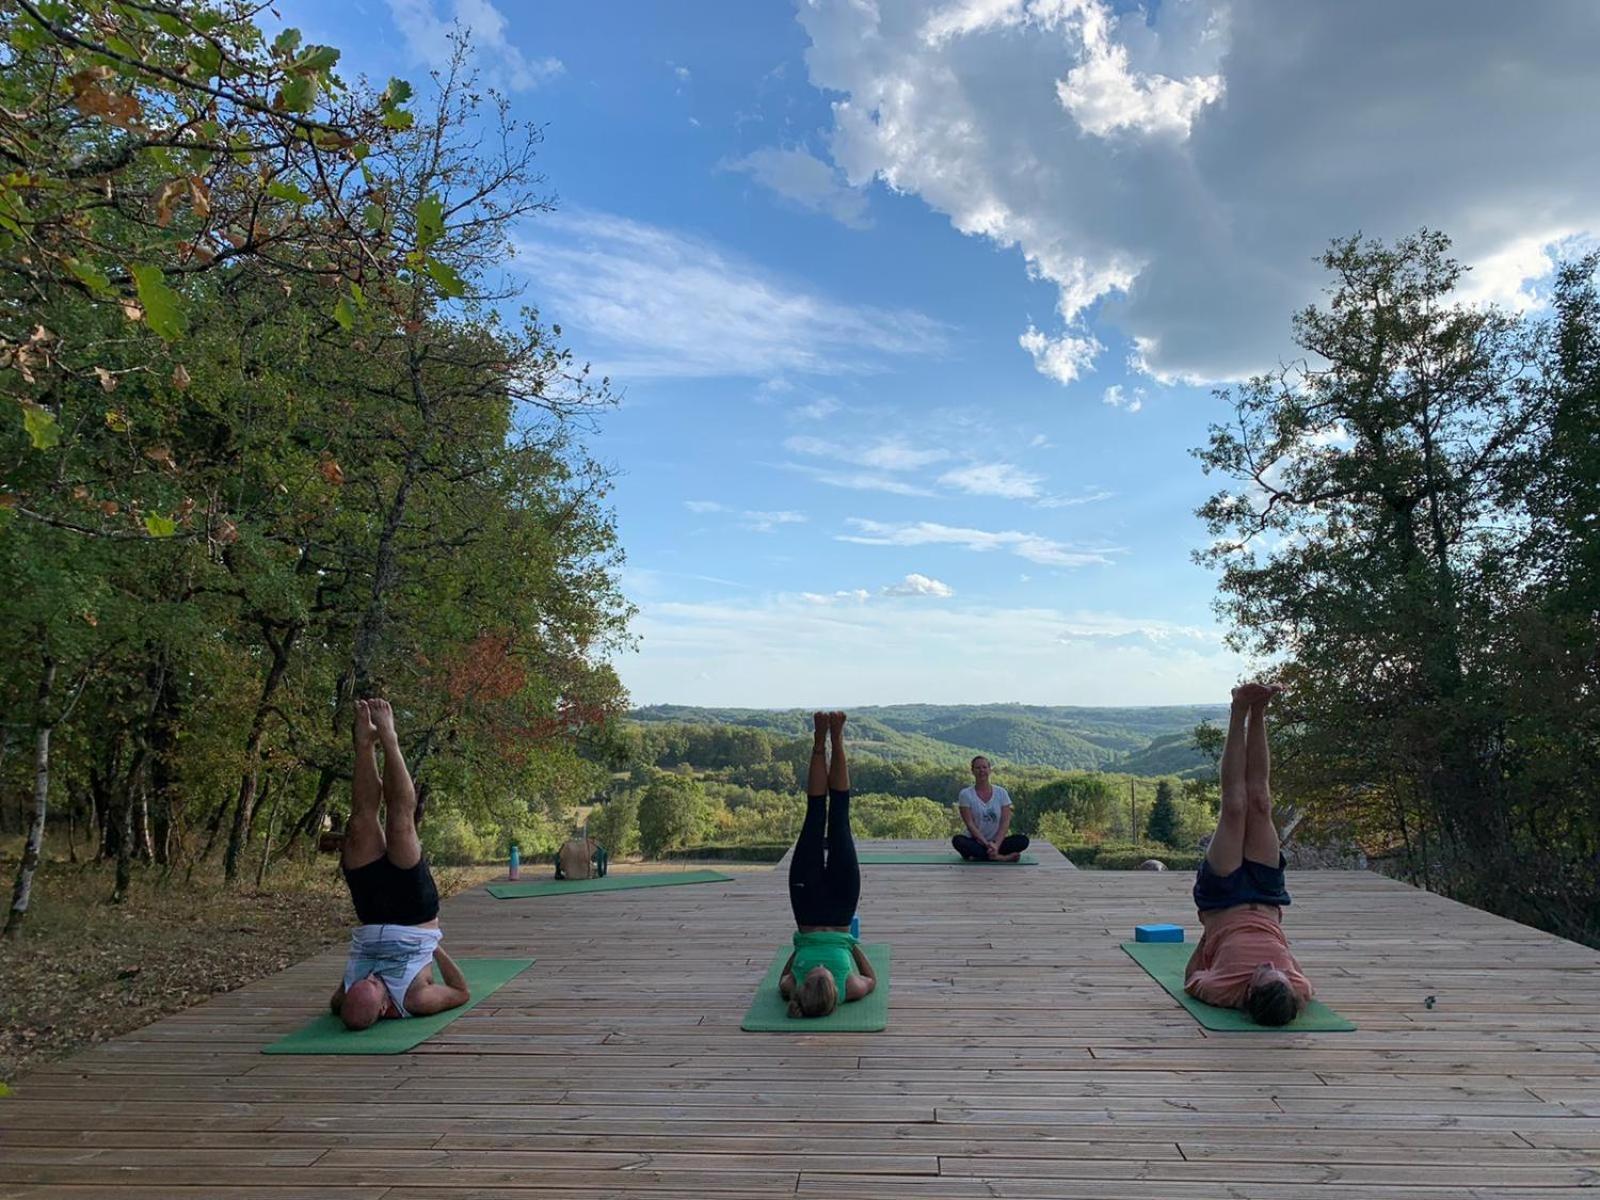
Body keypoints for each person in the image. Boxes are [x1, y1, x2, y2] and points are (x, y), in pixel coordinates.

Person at [329, 698, 471, 1030]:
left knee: (359, 824)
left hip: (371, 914)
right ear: (383, 1008)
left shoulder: (344, 999)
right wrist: (435, 947)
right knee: (400, 823)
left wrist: (356, 985)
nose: (373, 977)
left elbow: (340, 1002)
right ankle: (390, 739)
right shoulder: (416, 1001)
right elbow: (461, 992)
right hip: (414, 914)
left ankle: (364, 745)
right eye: (376, 984)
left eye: (366, 980)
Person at [1184, 682, 1314, 1026]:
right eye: (1279, 973)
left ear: (1251, 992)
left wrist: (1208, 940)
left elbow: (1191, 977)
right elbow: (1295, 979)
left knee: (1235, 807)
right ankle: (1260, 712)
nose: (1272, 966)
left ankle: (1238, 709)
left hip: (1222, 901)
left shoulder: (1224, 989)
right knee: (1260, 802)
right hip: (1267, 899)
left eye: (1263, 973)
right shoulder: (1297, 989)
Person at [780, 711, 877, 1018]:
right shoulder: (851, 989)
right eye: (826, 973)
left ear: (803, 987)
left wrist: (798, 949)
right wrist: (852, 945)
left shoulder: (792, 989)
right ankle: (837, 738)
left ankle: (819, 742)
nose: (820, 967)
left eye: (813, 973)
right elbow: (872, 980)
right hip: (840, 908)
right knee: (839, 818)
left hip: (807, 908)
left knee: (814, 816)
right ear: (835, 988)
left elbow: (783, 976)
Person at [953, 756, 1030, 861]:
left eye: (984, 767)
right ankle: (1000, 857)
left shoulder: (1001, 793)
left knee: (1023, 840)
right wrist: (986, 843)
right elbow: (970, 824)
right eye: (978, 768)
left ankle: (981, 856)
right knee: (958, 840)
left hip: (998, 842)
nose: (981, 771)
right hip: (976, 842)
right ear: (972, 771)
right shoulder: (965, 794)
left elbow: (1005, 822)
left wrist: (996, 844)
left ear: (990, 770)